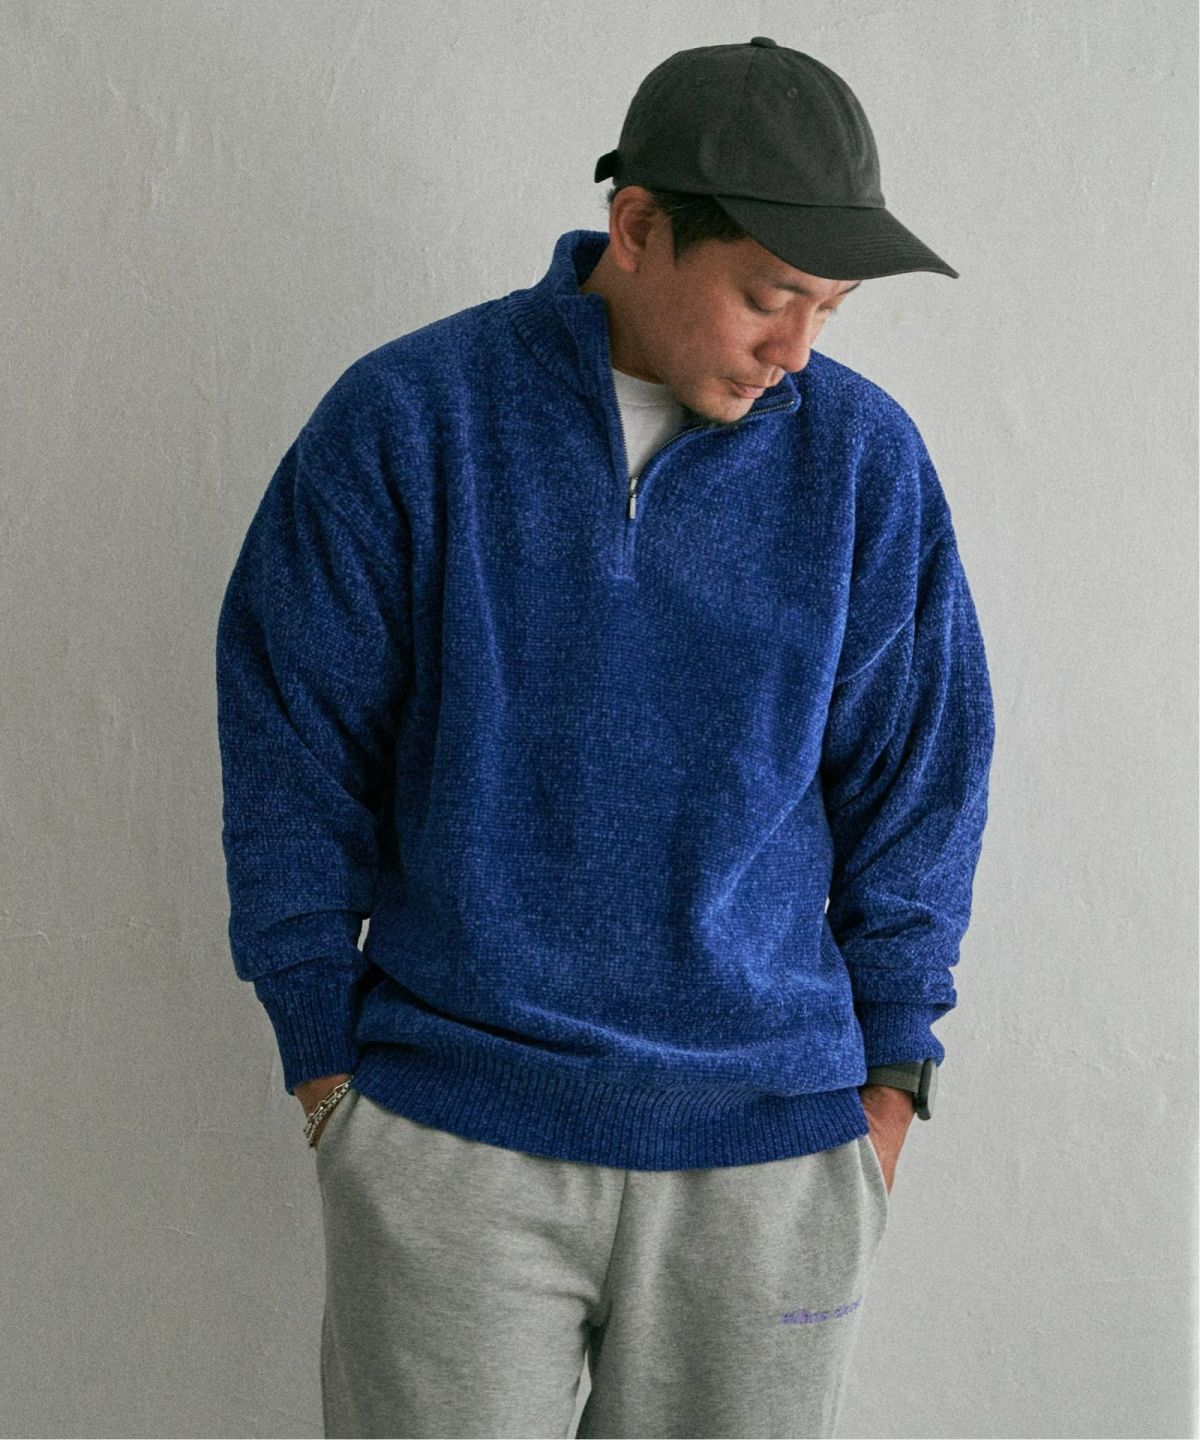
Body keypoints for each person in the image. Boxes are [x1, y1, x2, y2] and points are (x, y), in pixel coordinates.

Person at [215, 36, 994, 1440]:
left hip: (772, 1152)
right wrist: (323, 1060)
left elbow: (922, 778)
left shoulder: (862, 464)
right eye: (768, 296)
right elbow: (291, 745)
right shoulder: (412, 422)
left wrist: (893, 1080)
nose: (797, 350)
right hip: (455, 1138)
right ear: (637, 227)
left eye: (829, 309)